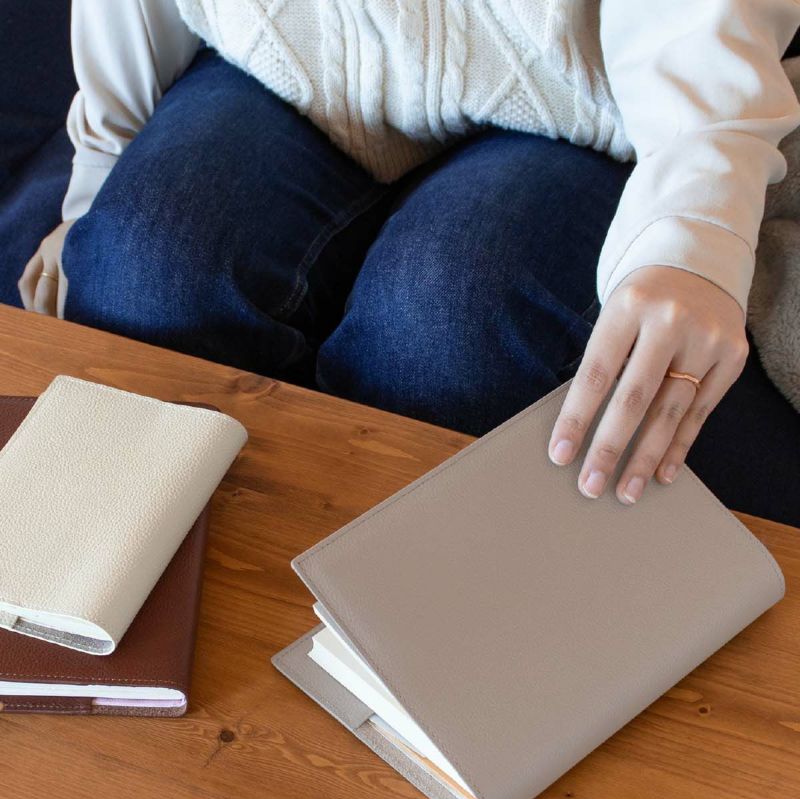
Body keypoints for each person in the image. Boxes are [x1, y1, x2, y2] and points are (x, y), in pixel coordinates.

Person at [19, 1, 800, 522]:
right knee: (137, 276)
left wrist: (698, 226)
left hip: (575, 87)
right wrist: (100, 172)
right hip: (295, 53)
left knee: (445, 329)